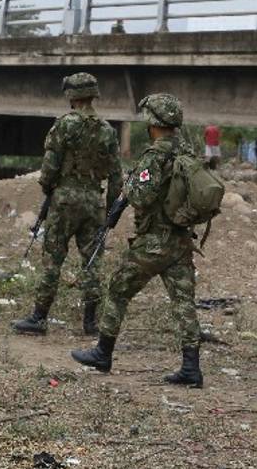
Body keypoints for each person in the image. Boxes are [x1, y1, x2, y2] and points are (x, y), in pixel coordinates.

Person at [71, 94, 205, 387]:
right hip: (181, 240)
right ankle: (191, 368)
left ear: (153, 122)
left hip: (153, 243)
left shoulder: (155, 155)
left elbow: (143, 197)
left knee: (118, 289)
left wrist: (131, 185)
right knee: (184, 302)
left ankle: (103, 353)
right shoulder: (188, 151)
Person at [12, 73, 122, 337]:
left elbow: (49, 167)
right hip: (94, 200)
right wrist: (109, 211)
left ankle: (38, 318)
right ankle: (90, 322)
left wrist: (49, 189)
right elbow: (116, 175)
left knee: (53, 259)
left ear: (71, 96)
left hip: (64, 200)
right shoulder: (107, 130)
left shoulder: (64, 125)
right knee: (92, 262)